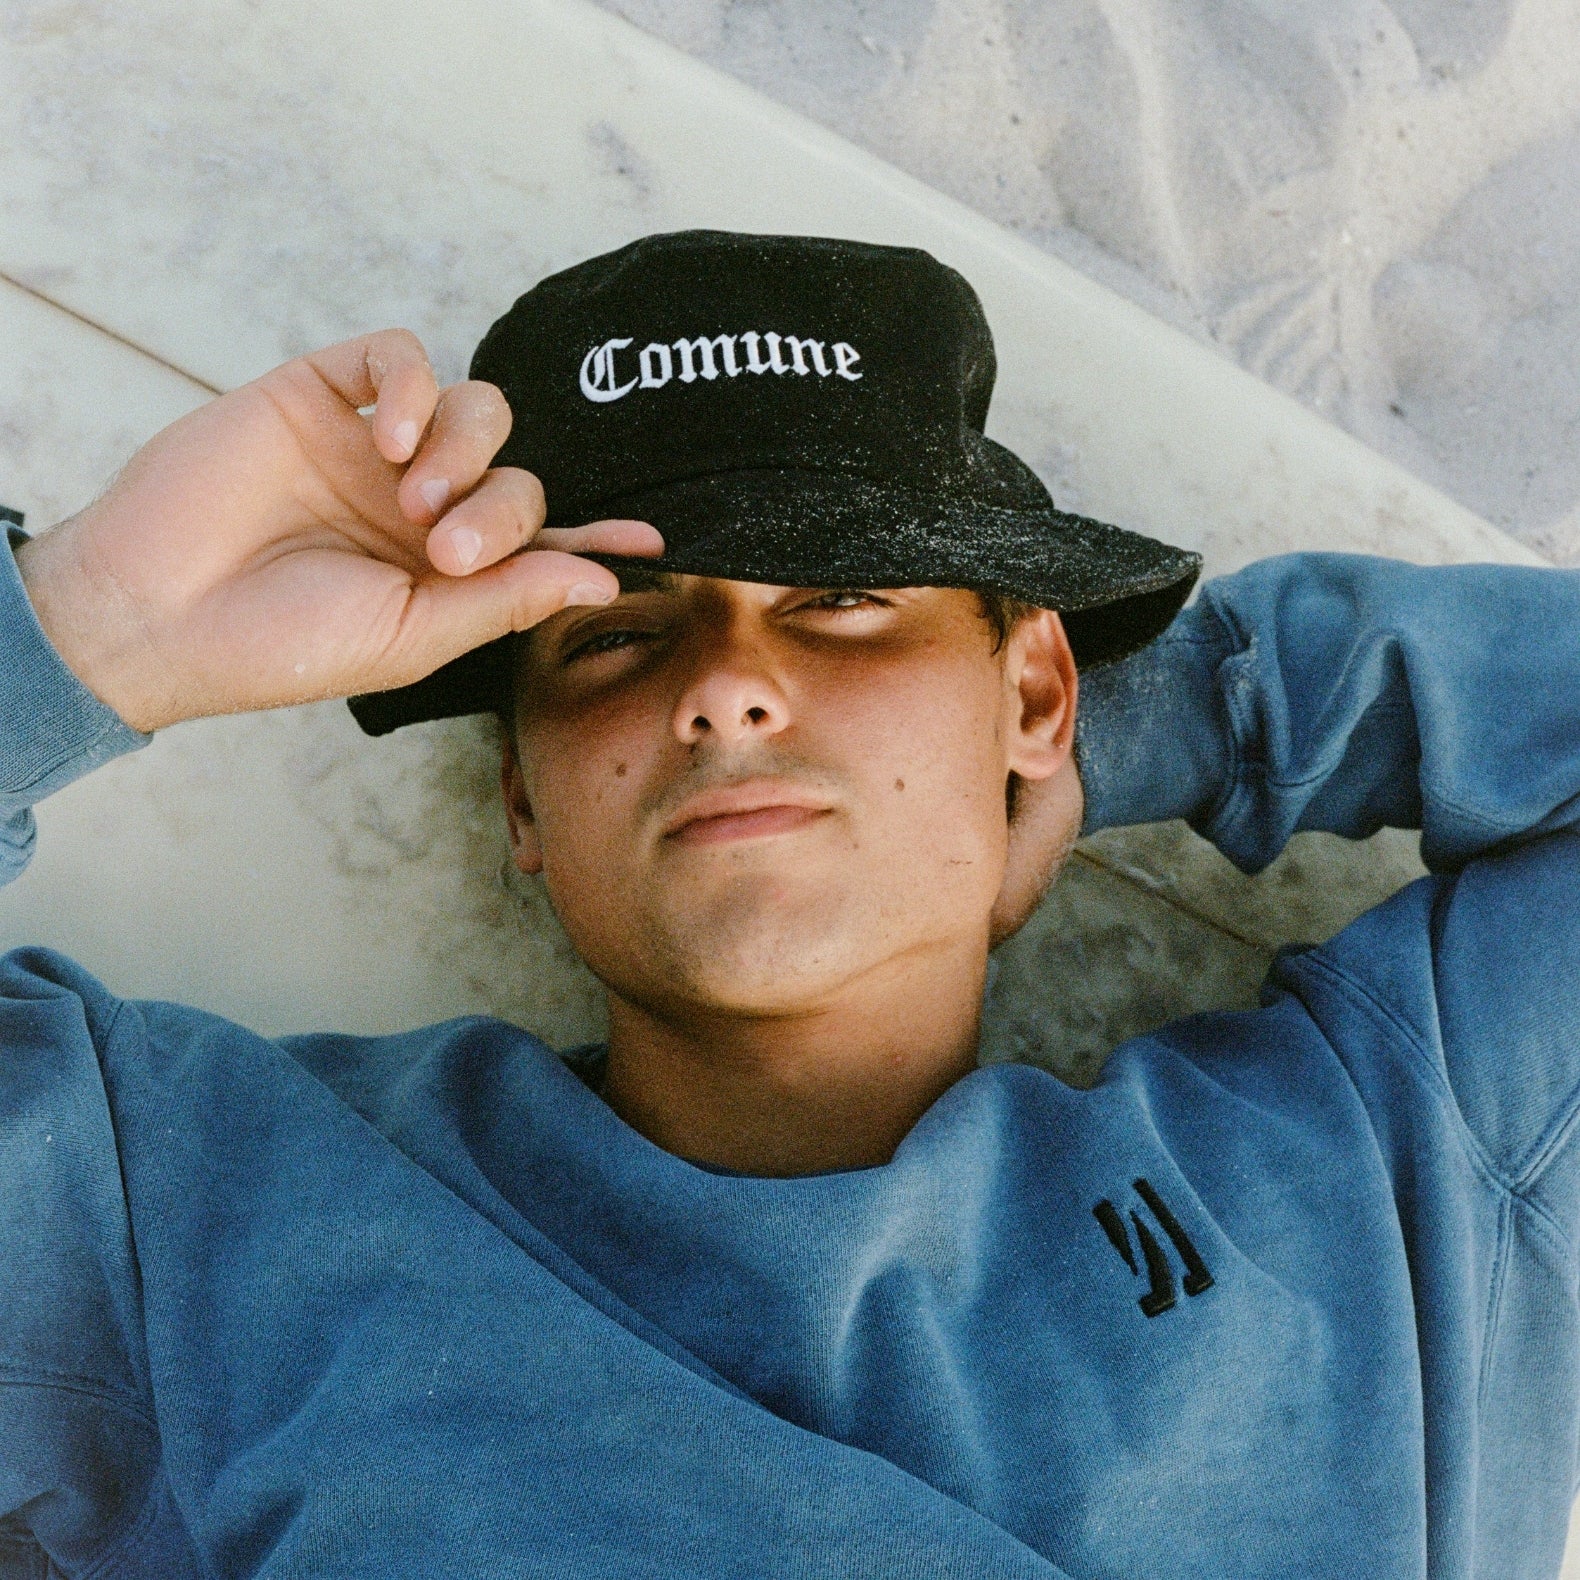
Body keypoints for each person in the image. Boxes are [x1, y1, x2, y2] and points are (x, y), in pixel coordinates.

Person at [1, 229, 1576, 1579]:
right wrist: (91, 623)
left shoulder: (1399, 1170)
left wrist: (1175, 716)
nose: (733, 689)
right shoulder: (197, 1213)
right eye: (614, 633)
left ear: (1034, 691)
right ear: (521, 801)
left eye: (842, 597)